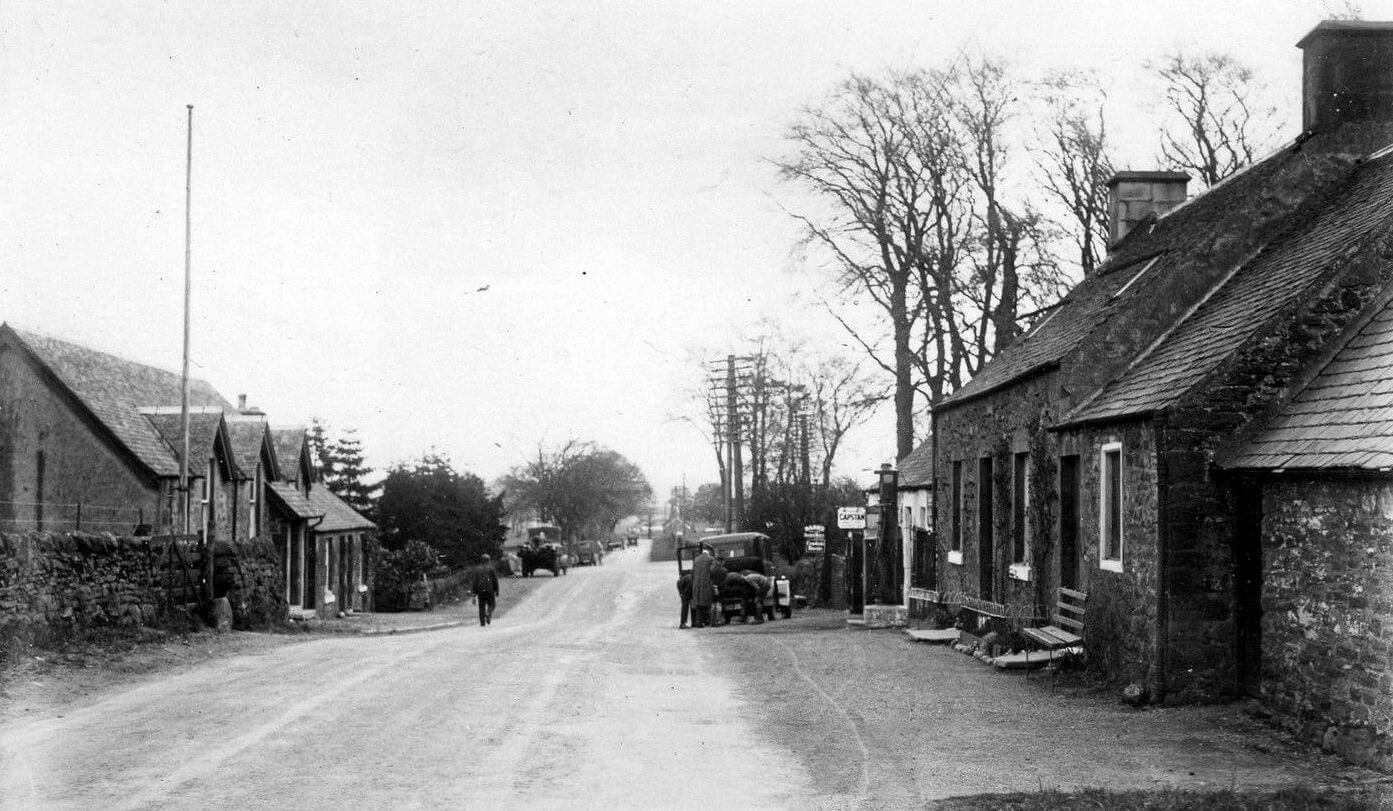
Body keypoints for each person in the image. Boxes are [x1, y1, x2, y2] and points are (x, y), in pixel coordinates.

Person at [469, 554, 501, 626]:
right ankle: (488, 613)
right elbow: (495, 580)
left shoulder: (477, 570)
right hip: (490, 589)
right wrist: (497, 591)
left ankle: (482, 623)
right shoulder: (491, 569)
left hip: (480, 590)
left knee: (481, 606)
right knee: (492, 604)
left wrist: (473, 594)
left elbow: (474, 582)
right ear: (488, 561)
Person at [691, 545, 715, 628]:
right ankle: (710, 621)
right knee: (708, 603)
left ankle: (699, 623)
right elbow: (712, 572)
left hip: (696, 584)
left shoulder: (696, 559)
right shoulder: (711, 559)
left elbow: (692, 572)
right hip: (706, 584)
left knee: (698, 604)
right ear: (708, 553)